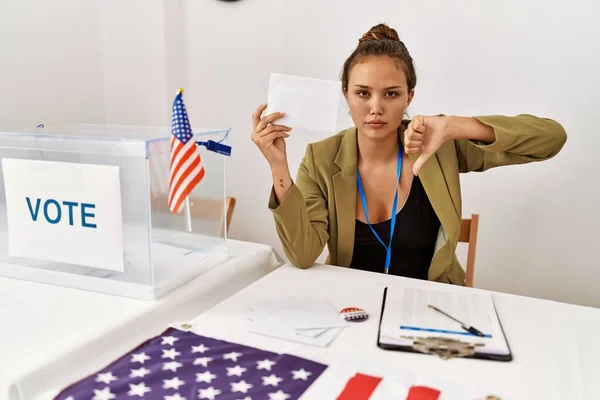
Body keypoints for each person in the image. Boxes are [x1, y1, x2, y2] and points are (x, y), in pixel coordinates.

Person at [250, 23, 567, 285]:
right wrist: (278, 166)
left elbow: (551, 139)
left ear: (409, 96)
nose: (376, 108)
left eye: (391, 93)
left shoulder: (437, 144)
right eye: (363, 93)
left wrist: (454, 125)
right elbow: (303, 255)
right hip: (350, 310)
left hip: (433, 307)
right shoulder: (321, 158)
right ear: (345, 94)